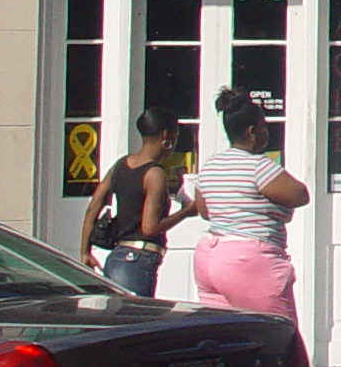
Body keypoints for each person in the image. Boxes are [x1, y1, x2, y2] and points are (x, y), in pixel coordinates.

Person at [190, 88, 309, 320]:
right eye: (264, 127)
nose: (267, 132)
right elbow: (300, 195)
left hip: (209, 257)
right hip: (247, 260)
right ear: (252, 131)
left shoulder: (211, 165)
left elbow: (205, 211)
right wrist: (278, 209)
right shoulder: (258, 166)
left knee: (227, 335)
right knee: (278, 335)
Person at [78, 106, 193, 295]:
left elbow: (93, 207)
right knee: (138, 316)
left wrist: (85, 251)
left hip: (117, 257)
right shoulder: (155, 174)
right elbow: (150, 228)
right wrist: (186, 211)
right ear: (166, 135)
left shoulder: (121, 165)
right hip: (139, 257)